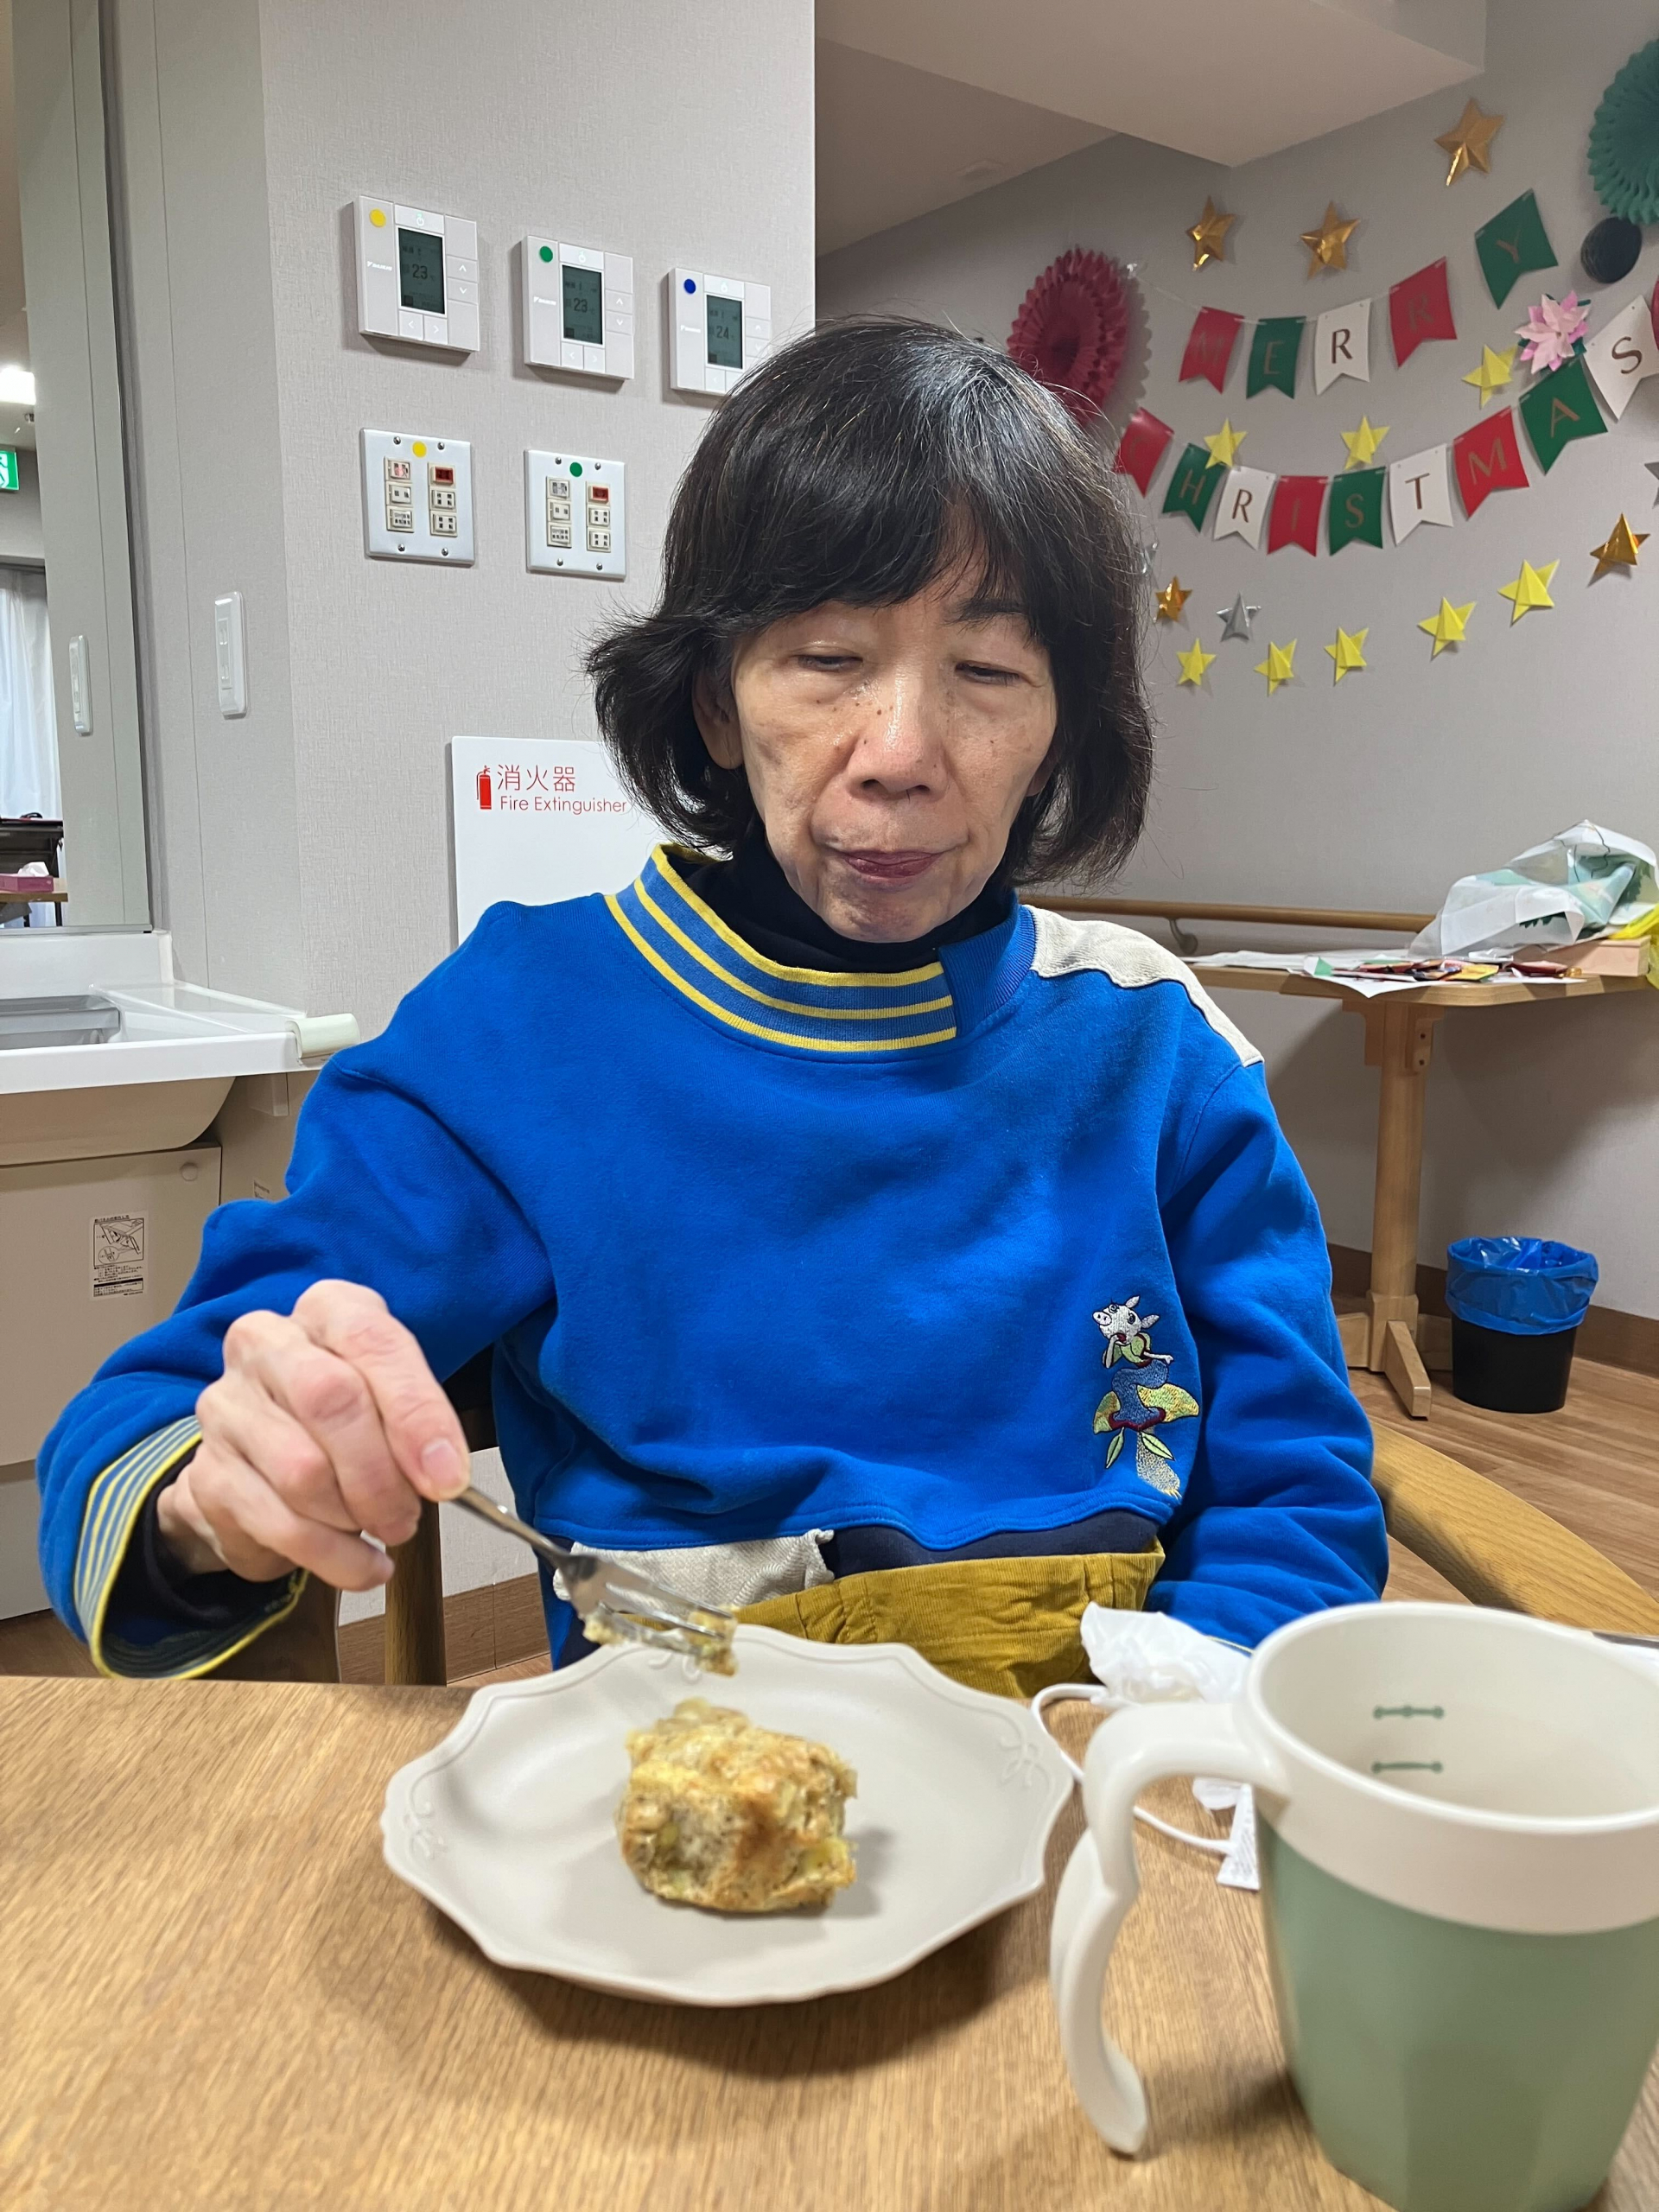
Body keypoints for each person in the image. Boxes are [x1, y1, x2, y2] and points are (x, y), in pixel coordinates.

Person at [38, 319, 1384, 1697]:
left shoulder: (1158, 1052)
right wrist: (216, 1499)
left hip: (1102, 1771)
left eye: (987, 673)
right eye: (827, 659)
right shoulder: (525, 1037)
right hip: (674, 1789)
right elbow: (148, 1420)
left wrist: (1166, 1746)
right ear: (718, 705)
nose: (901, 754)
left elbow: (1296, 1501)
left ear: (1057, 735)